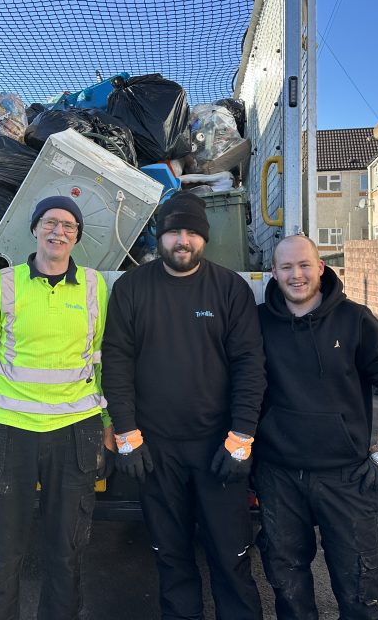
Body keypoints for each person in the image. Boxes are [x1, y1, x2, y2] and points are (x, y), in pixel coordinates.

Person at [0, 195, 115, 620]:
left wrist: (109, 426)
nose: (59, 232)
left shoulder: (94, 286)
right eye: (50, 223)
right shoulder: (4, 284)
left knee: (67, 554)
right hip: (6, 434)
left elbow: (101, 361)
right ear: (35, 229)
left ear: (77, 237)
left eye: (69, 226)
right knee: (0, 555)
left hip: (75, 432)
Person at [102, 192, 266, 620]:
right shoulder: (131, 289)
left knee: (231, 557)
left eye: (192, 232)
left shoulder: (230, 289)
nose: (183, 241)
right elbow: (116, 363)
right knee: (171, 557)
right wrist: (127, 434)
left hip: (218, 449)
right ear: (160, 235)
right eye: (174, 230)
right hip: (155, 452)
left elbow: (251, 366)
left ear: (204, 239)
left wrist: (241, 438)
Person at [254, 235, 378, 620]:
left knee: (361, 584)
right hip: (279, 474)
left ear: (321, 267)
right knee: (287, 580)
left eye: (305, 265)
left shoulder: (354, 319)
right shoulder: (257, 323)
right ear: (273, 272)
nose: (296, 275)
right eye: (286, 267)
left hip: (346, 475)